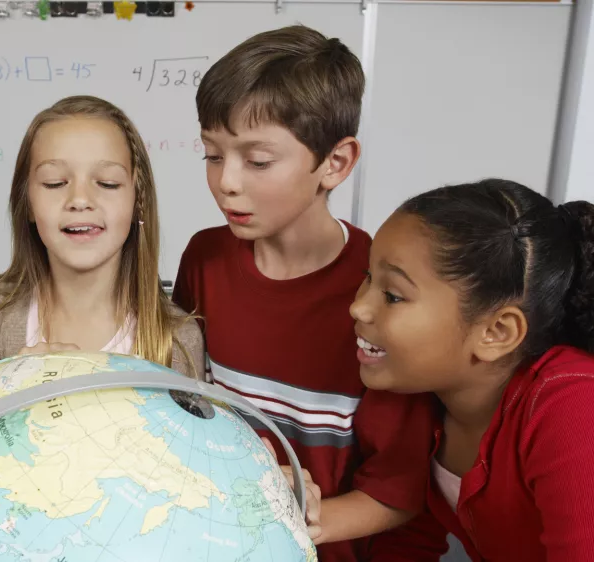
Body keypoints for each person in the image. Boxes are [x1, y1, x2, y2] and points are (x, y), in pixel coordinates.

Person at [172, 24, 434, 560]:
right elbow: (187, 407)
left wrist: (293, 517)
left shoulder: (383, 291)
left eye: (258, 161)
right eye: (213, 155)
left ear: (335, 163)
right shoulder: (204, 258)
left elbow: (398, 492)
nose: (226, 181)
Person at [356, 179, 594, 561]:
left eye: (392, 295)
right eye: (367, 277)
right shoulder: (425, 400)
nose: (358, 308)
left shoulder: (574, 406)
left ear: (496, 332)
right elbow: (408, 543)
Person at [0, 95, 204, 379]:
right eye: (55, 183)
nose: (80, 200)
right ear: (27, 202)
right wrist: (14, 384)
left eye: (107, 183)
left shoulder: (178, 337)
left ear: (139, 200)